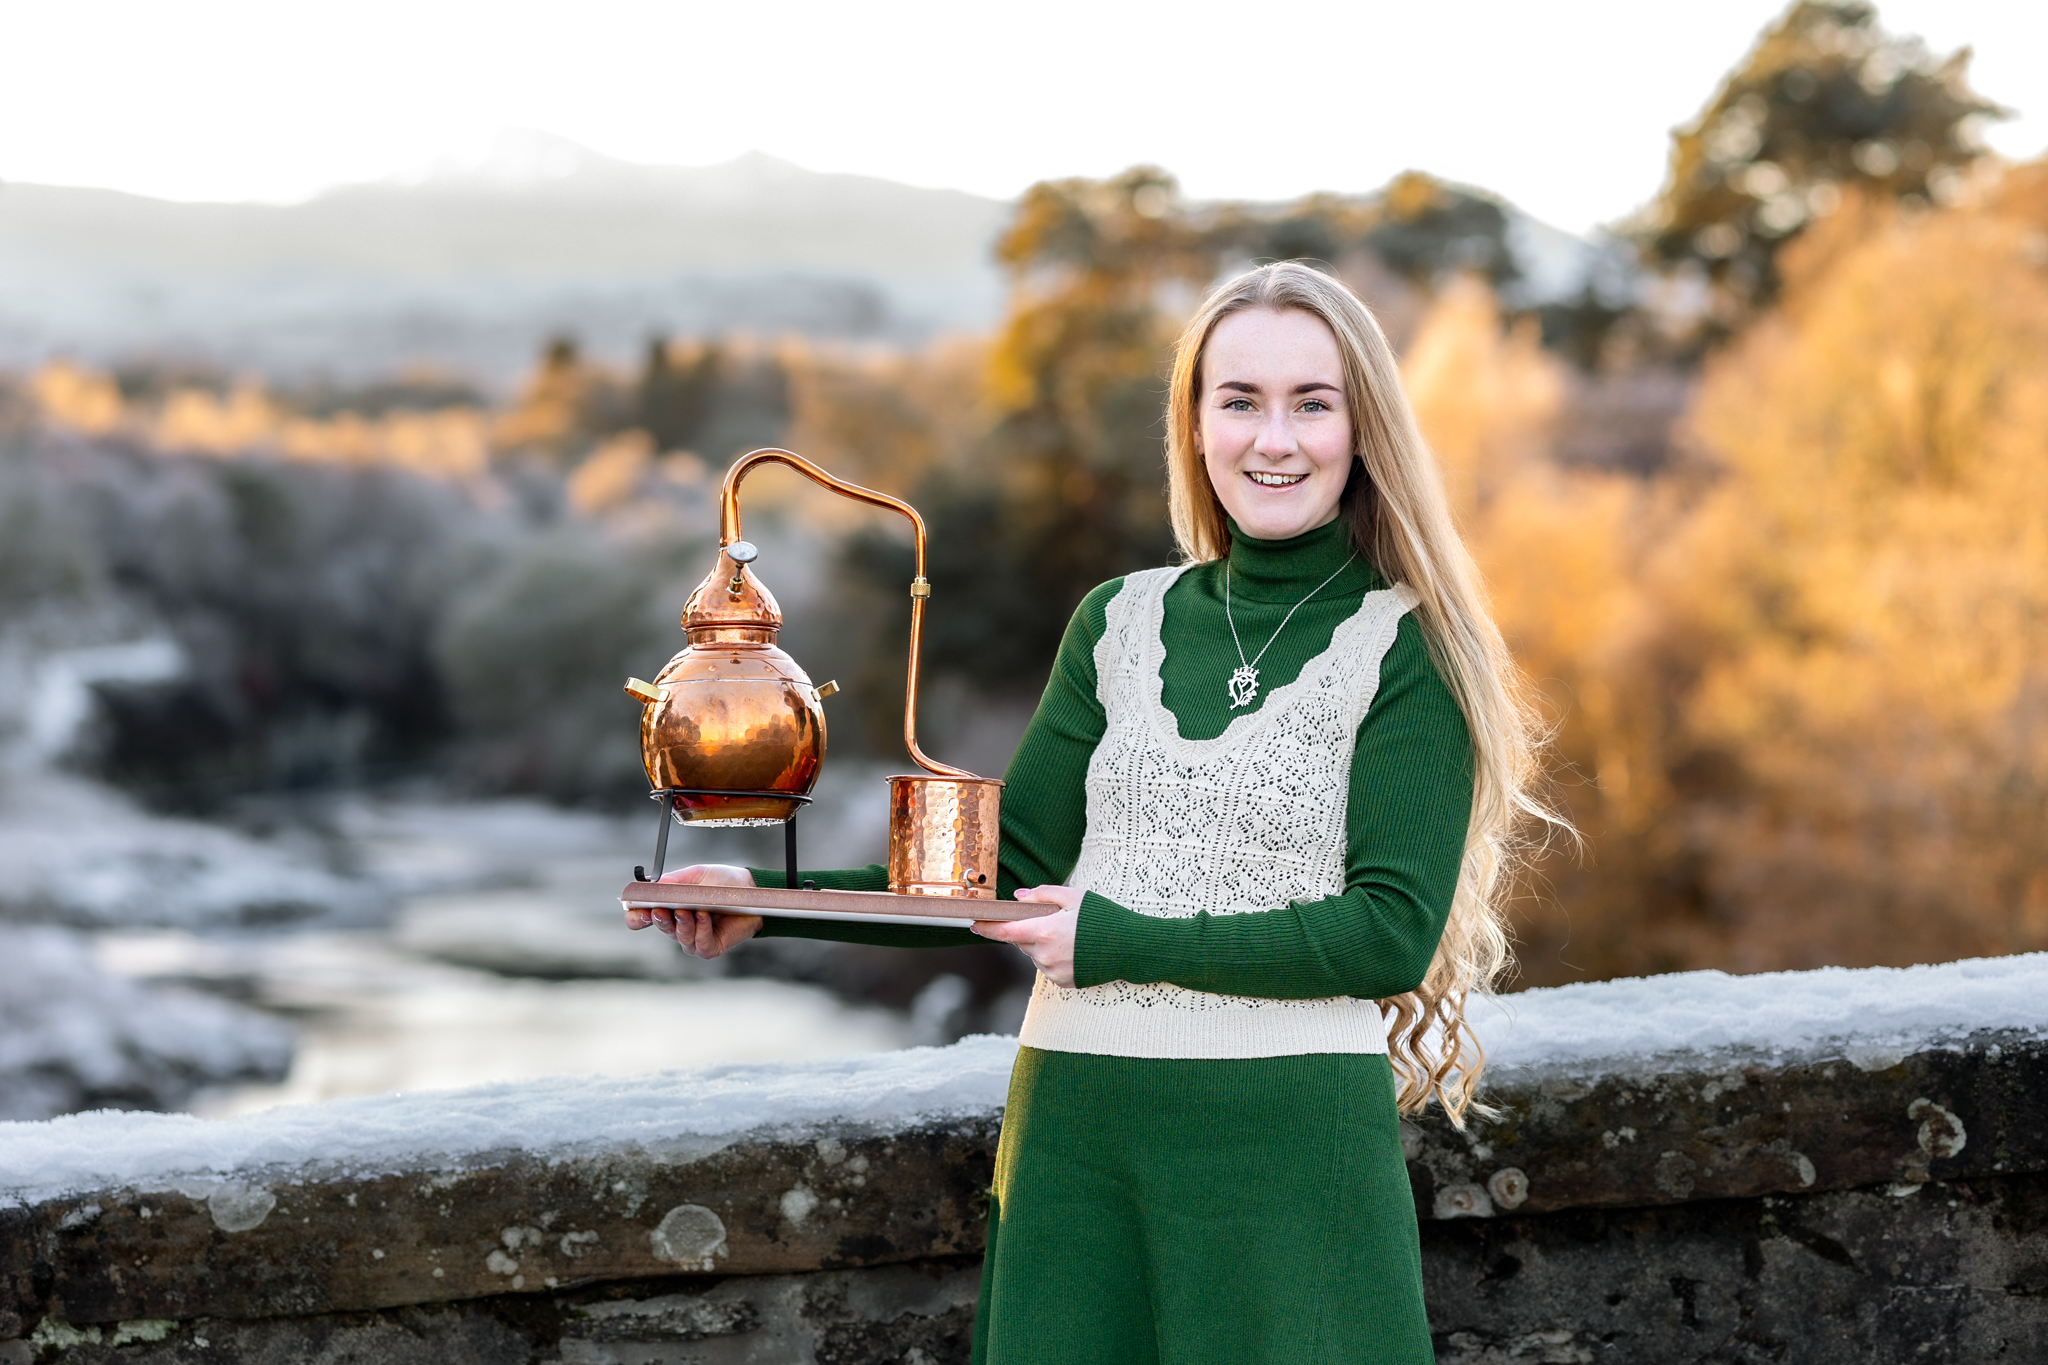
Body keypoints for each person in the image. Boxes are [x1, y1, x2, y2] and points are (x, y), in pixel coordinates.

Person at [626, 261, 1558, 1364]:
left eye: (1312, 403)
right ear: (1194, 425)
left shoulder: (1411, 645)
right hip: (1078, 1134)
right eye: (1238, 401)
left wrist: (1114, 936)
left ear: (1362, 430)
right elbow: (993, 872)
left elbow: (1385, 934)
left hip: (1288, 1153)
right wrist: (765, 902)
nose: (1274, 439)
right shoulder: (1117, 621)